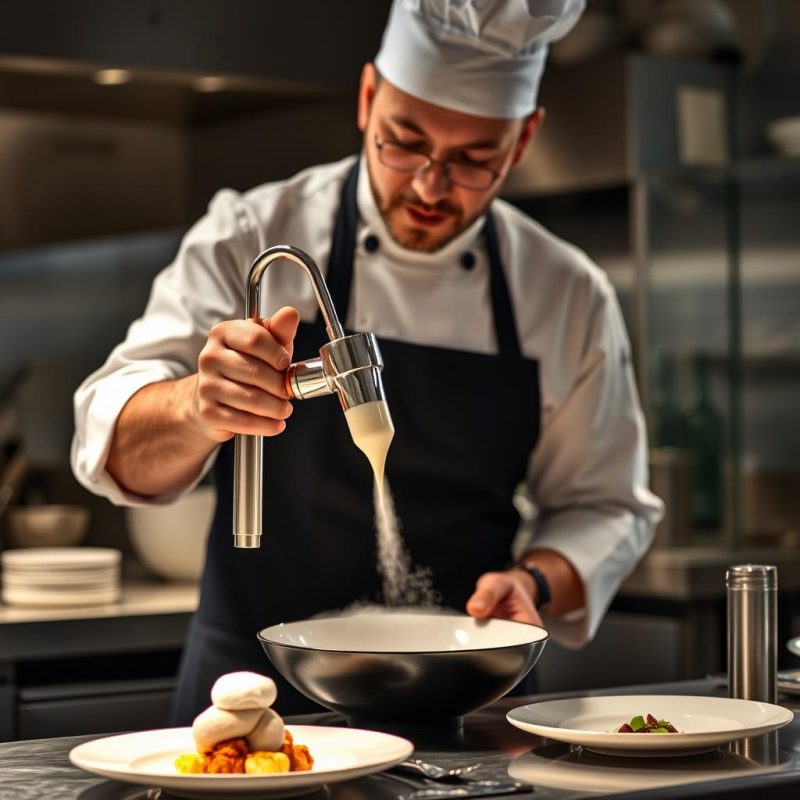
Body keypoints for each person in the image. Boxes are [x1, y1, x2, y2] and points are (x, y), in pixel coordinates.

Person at [72, 0, 663, 722]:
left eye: (474, 160)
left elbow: (606, 504)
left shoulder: (566, 292)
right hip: (254, 698)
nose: (429, 186)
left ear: (525, 138)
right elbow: (115, 442)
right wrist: (199, 403)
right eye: (403, 142)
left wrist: (535, 583)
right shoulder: (255, 233)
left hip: (467, 699)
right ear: (367, 99)